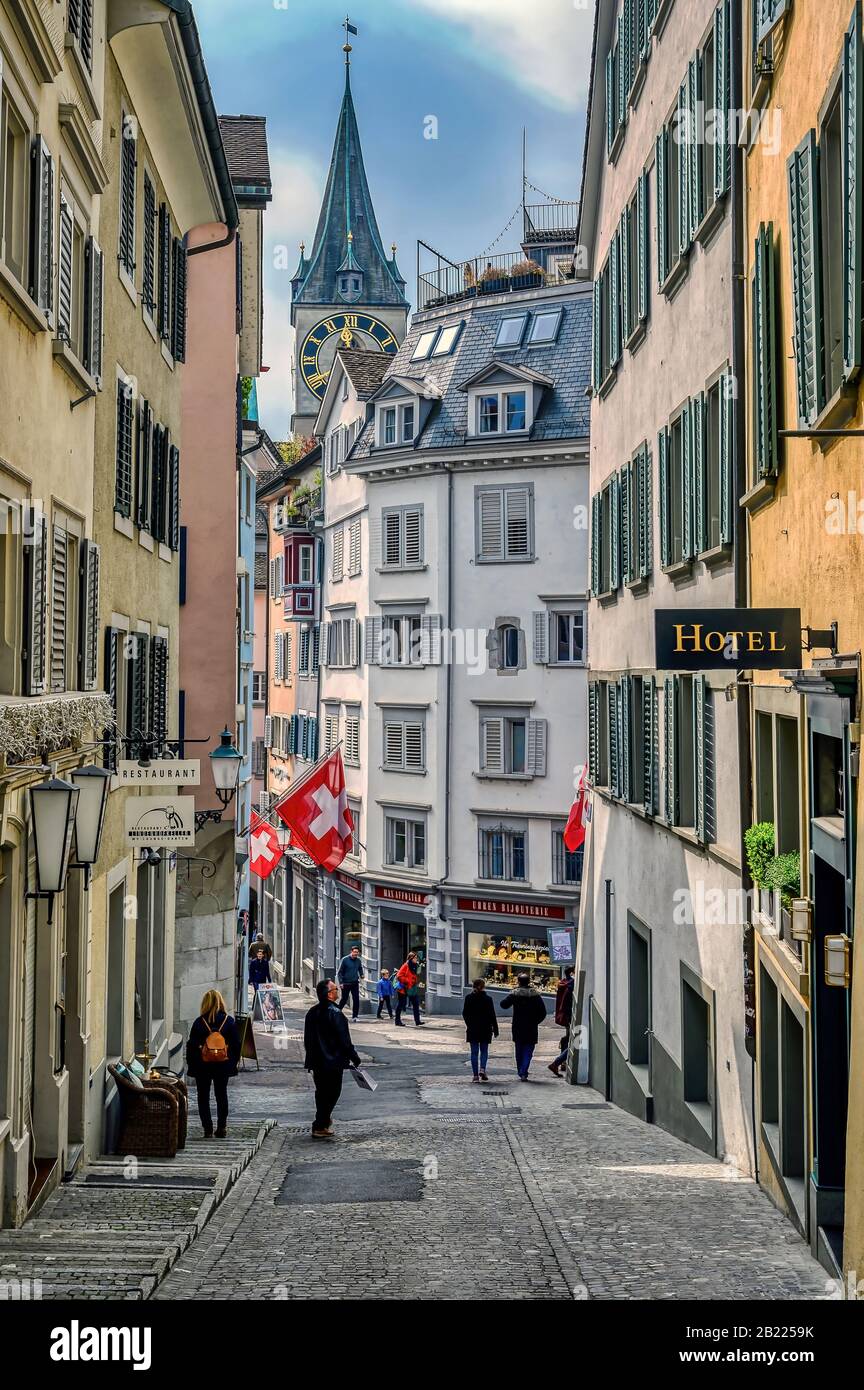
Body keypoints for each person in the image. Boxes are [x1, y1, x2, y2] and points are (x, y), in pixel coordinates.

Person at [303, 979, 362, 1138]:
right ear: (329, 994)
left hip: (317, 1061)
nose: (338, 991)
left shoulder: (312, 1012)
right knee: (333, 1092)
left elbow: (307, 1040)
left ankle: (322, 1122)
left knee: (321, 1092)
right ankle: (320, 1124)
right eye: (335, 989)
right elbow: (344, 1040)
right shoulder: (336, 1013)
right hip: (333, 1061)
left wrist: (310, 1057)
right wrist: (354, 1057)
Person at [185, 989, 241, 1138]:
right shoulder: (228, 1022)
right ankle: (222, 1127)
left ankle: (207, 1128)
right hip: (223, 1065)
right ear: (220, 1002)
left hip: (202, 1066)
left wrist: (192, 1066)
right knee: (221, 1095)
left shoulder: (199, 1022)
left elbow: (191, 1047)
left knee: (203, 1096)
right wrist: (232, 1064)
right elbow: (236, 1045)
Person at [500, 973, 548, 1080]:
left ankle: (520, 1070)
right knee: (529, 1050)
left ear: (519, 982)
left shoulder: (515, 994)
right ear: (529, 982)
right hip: (531, 1026)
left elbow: (503, 1004)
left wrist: (512, 994)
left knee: (519, 1050)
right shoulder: (535, 995)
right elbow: (543, 1012)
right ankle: (524, 1070)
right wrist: (536, 1021)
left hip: (518, 1025)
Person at [462, 978, 499, 1082]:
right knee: (484, 1050)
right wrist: (495, 1029)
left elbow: (465, 1013)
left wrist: (469, 1024)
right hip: (485, 1028)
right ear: (483, 987)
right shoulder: (488, 999)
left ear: (473, 986)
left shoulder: (469, 998)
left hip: (473, 1028)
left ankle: (475, 1076)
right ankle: (482, 1068)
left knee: (474, 1052)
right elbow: (492, 1015)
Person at [549, 966, 575, 1077]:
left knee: (569, 1039)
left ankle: (562, 1063)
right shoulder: (571, 984)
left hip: (566, 1016)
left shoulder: (564, 982)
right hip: (570, 1016)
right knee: (573, 1042)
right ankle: (558, 1062)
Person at [394, 951, 424, 1027]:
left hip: (412, 988)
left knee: (416, 1004)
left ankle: (417, 1021)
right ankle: (397, 1021)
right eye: (415, 958)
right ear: (411, 958)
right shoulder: (406, 965)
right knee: (400, 1004)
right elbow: (399, 976)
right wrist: (407, 981)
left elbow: (414, 975)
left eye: (417, 958)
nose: (416, 959)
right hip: (403, 988)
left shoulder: (415, 965)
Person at [337, 945, 365, 1022]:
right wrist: (341, 983)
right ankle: (337, 1012)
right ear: (351, 952)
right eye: (354, 952)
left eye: (357, 952)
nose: (356, 953)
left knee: (356, 999)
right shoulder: (345, 960)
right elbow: (340, 972)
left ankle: (355, 1016)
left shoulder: (358, 960)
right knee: (344, 999)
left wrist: (361, 974)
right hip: (346, 983)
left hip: (355, 983)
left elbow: (360, 968)